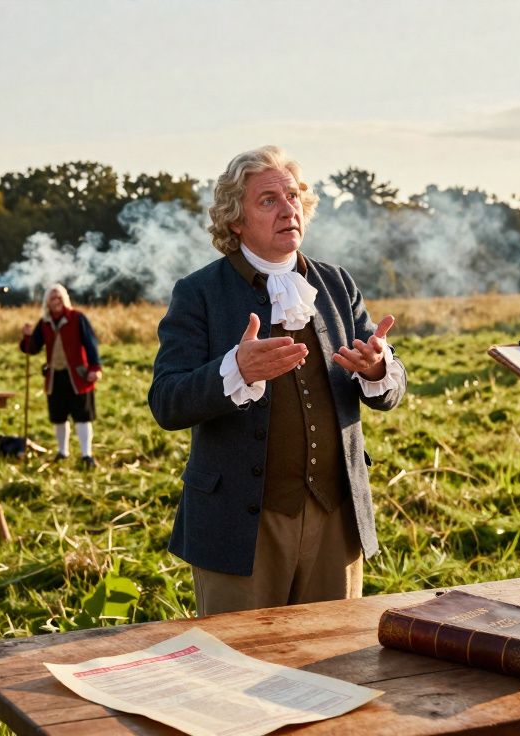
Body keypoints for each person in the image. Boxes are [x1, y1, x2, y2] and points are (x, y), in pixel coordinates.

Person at [148, 145, 407, 616]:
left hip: (336, 519)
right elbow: (166, 401)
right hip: (238, 526)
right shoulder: (198, 293)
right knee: (237, 673)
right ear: (235, 219)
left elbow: (390, 383)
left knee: (334, 671)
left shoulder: (337, 284)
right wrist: (235, 371)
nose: (288, 208)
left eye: (292, 196)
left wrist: (378, 369)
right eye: (268, 200)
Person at [20, 284, 102, 467]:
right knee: (59, 417)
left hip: (78, 376)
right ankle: (62, 452)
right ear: (47, 302)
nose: (56, 301)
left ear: (64, 299)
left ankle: (86, 455)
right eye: (52, 298)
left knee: (82, 416)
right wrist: (26, 337)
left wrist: (95, 368)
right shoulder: (44, 323)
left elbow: (91, 344)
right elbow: (33, 348)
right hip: (55, 377)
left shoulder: (77, 318)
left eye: (58, 297)